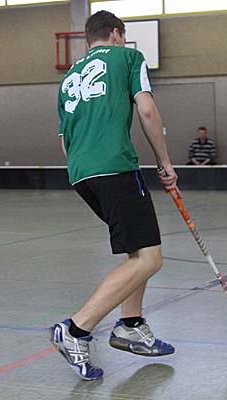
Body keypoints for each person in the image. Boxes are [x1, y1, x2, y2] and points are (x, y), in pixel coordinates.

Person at [49, 11, 178, 381]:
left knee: (138, 248)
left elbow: (65, 140)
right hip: (115, 167)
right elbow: (147, 111)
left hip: (81, 173)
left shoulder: (68, 78)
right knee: (150, 258)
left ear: (89, 38)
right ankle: (76, 329)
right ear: (117, 33)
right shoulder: (128, 57)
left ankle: (130, 324)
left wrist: (86, 166)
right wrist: (165, 163)